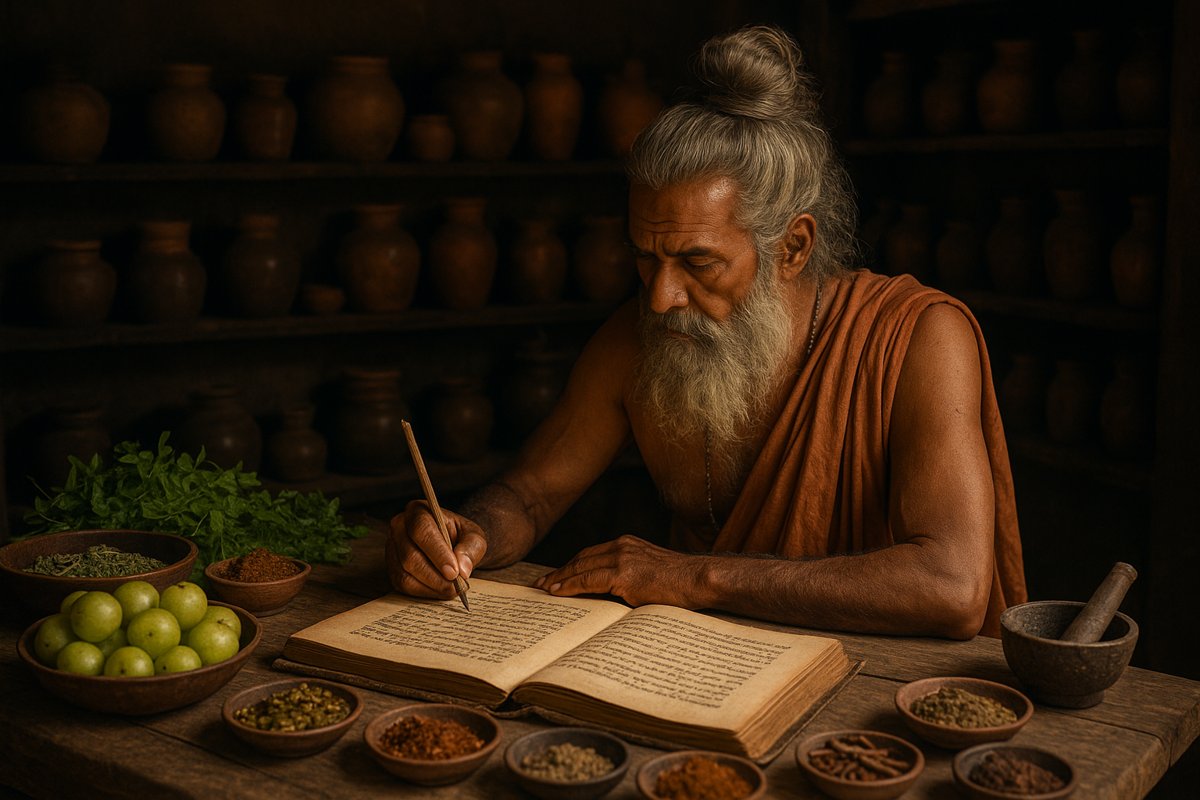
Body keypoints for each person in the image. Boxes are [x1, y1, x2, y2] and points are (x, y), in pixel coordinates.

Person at [388, 25, 1026, 639]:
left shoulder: (918, 339)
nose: (660, 298)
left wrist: (695, 576)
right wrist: (469, 532)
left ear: (793, 246)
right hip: (695, 671)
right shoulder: (639, 339)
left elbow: (952, 586)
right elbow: (528, 497)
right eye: (644, 256)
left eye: (697, 262)